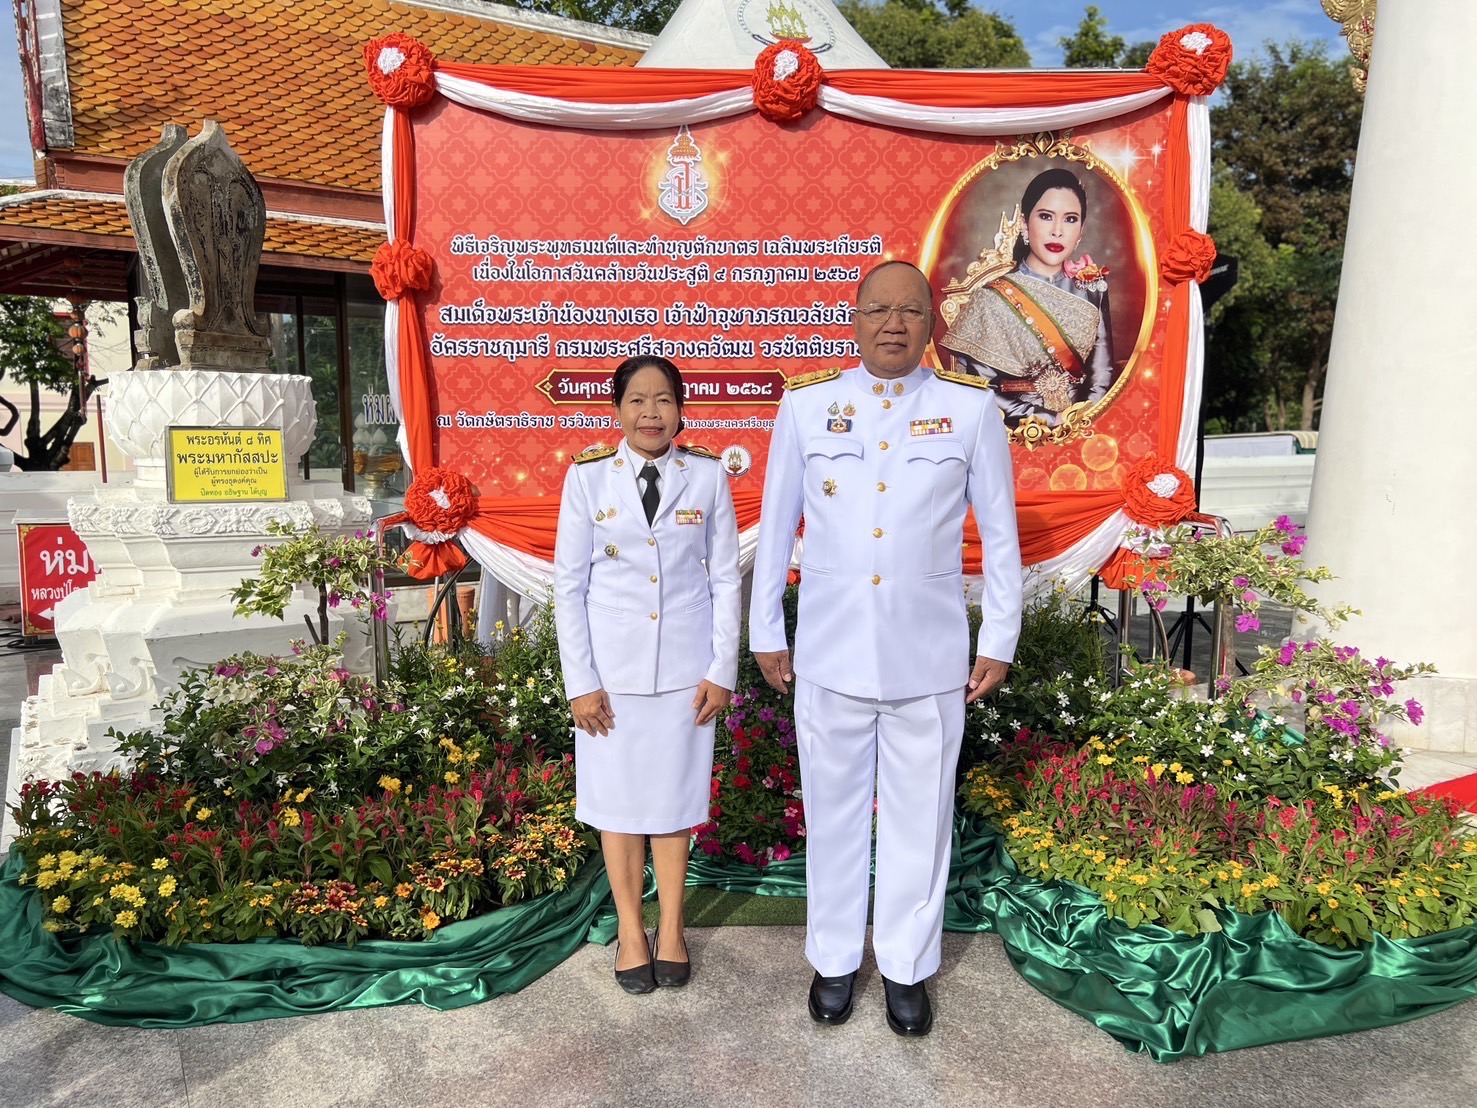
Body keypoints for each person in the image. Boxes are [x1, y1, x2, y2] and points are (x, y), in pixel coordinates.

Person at [749, 260, 1023, 1036]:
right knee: (832, 815)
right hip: (829, 651)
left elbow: (1000, 535)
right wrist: (766, 629)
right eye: (877, 310)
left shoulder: (969, 409)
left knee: (918, 820)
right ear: (855, 319)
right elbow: (776, 525)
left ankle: (905, 967)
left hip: (926, 656)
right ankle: (835, 960)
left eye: (909, 310)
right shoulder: (807, 405)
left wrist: (998, 637)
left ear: (933, 322)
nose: (893, 324)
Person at [553, 356, 741, 994]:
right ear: (617, 410)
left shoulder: (707, 477)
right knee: (618, 807)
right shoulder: (586, 480)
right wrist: (580, 682)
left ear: (681, 411)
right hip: (610, 680)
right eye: (637, 400)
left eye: (663, 400)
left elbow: (725, 580)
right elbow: (569, 588)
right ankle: (632, 932)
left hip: (687, 675)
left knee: (673, 805)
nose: (651, 413)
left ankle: (673, 928)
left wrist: (721, 669)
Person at [939, 167, 1115, 428]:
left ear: (1081, 230)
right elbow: (978, 388)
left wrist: (1081, 421)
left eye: (1070, 219)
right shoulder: (989, 299)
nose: (1057, 231)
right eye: (1046, 216)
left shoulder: (1092, 289)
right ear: (1024, 223)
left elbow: (1102, 376)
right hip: (1009, 432)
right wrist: (1050, 420)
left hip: (1082, 430)